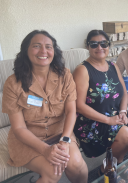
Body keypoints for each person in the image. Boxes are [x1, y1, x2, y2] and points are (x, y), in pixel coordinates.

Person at [2, 30, 88, 183]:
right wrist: (45, 150)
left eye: (48, 46)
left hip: (61, 133)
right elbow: (19, 128)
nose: (43, 51)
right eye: (36, 46)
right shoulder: (13, 83)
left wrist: (65, 140)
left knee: (77, 164)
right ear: (26, 51)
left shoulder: (65, 75)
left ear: (54, 51)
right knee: (52, 171)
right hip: (28, 139)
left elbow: (70, 111)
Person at [73, 30, 128, 173]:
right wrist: (108, 120)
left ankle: (117, 160)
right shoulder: (83, 70)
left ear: (108, 46)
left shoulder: (113, 66)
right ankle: (106, 168)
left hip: (114, 112)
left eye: (103, 43)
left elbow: (123, 92)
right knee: (125, 134)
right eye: (94, 44)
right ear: (88, 47)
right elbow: (79, 106)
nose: (99, 47)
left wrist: (123, 111)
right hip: (91, 119)